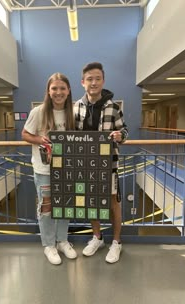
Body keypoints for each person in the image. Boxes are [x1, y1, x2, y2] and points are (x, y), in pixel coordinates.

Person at [74, 62, 128, 263]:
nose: (93, 82)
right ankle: (97, 237)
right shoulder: (77, 107)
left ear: (103, 81)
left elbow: (125, 131)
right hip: (85, 165)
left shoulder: (113, 107)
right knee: (91, 202)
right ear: (82, 82)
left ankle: (116, 242)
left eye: (97, 78)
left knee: (114, 202)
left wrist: (119, 135)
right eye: (89, 79)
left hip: (109, 164)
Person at [22, 73, 77, 265]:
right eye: (54, 88)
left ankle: (62, 240)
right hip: (44, 169)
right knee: (47, 206)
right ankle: (48, 244)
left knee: (66, 205)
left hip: (67, 169)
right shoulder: (39, 111)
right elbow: (25, 134)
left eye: (62, 88)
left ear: (68, 91)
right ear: (48, 90)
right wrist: (39, 140)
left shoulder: (74, 112)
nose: (58, 92)